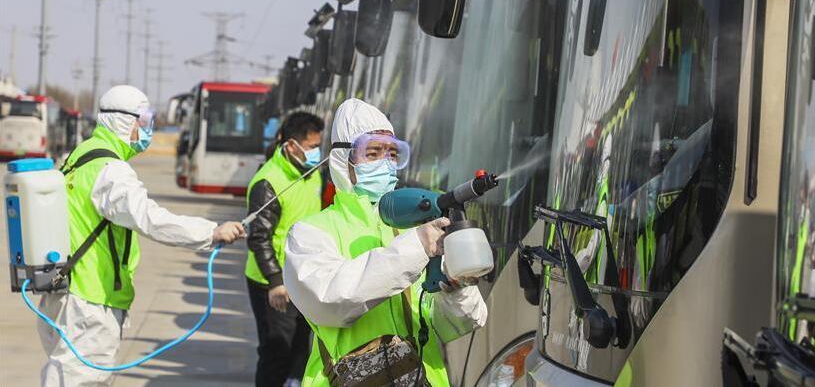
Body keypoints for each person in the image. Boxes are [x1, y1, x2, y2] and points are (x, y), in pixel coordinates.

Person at [38, 85, 246, 386]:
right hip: (90, 300)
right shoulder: (111, 170)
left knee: (67, 374)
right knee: (79, 379)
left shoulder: (80, 155)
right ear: (125, 121)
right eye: (145, 121)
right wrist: (210, 232)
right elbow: (150, 219)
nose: (149, 129)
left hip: (63, 291)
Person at [283, 98, 488, 387]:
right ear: (343, 161)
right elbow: (331, 301)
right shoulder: (310, 233)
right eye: (373, 153)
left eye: (392, 154)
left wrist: (456, 288)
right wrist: (416, 248)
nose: (386, 163)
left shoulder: (411, 229)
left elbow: (452, 326)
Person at [245, 111, 325, 387]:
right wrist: (275, 281)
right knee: (276, 352)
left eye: (319, 146)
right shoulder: (268, 182)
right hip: (273, 283)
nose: (317, 153)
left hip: (303, 278)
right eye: (312, 147)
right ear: (292, 145)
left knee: (301, 349)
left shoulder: (312, 174)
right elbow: (259, 237)